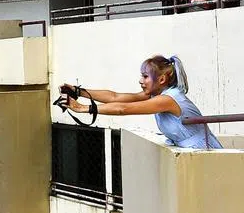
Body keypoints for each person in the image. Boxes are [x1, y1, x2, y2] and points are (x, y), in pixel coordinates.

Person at [58, 54, 222, 149]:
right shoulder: (157, 94)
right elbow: (115, 97)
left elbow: (123, 109)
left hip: (204, 152)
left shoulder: (167, 100)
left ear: (162, 79)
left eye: (145, 76)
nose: (140, 81)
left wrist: (81, 108)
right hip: (190, 152)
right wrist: (78, 91)